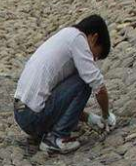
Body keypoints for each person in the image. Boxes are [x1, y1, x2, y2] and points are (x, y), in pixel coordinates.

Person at [13, 15, 115, 154]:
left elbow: (61, 100)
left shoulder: (66, 35)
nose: (93, 60)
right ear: (94, 38)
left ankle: (52, 131)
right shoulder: (78, 40)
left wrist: (90, 119)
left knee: (82, 77)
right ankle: (56, 138)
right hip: (32, 117)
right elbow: (98, 86)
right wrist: (106, 116)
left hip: (21, 112)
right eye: (95, 56)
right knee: (85, 80)